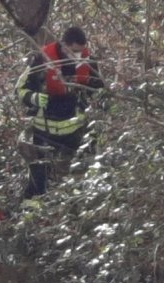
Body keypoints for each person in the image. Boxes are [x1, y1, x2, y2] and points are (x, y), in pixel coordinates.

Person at [15, 25, 104, 199]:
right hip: (44, 130)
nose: (77, 56)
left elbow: (99, 90)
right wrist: (33, 97)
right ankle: (32, 208)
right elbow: (20, 89)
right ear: (63, 45)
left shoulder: (88, 62)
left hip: (75, 131)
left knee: (80, 173)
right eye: (73, 51)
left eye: (80, 51)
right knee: (38, 176)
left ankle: (76, 206)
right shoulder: (42, 60)